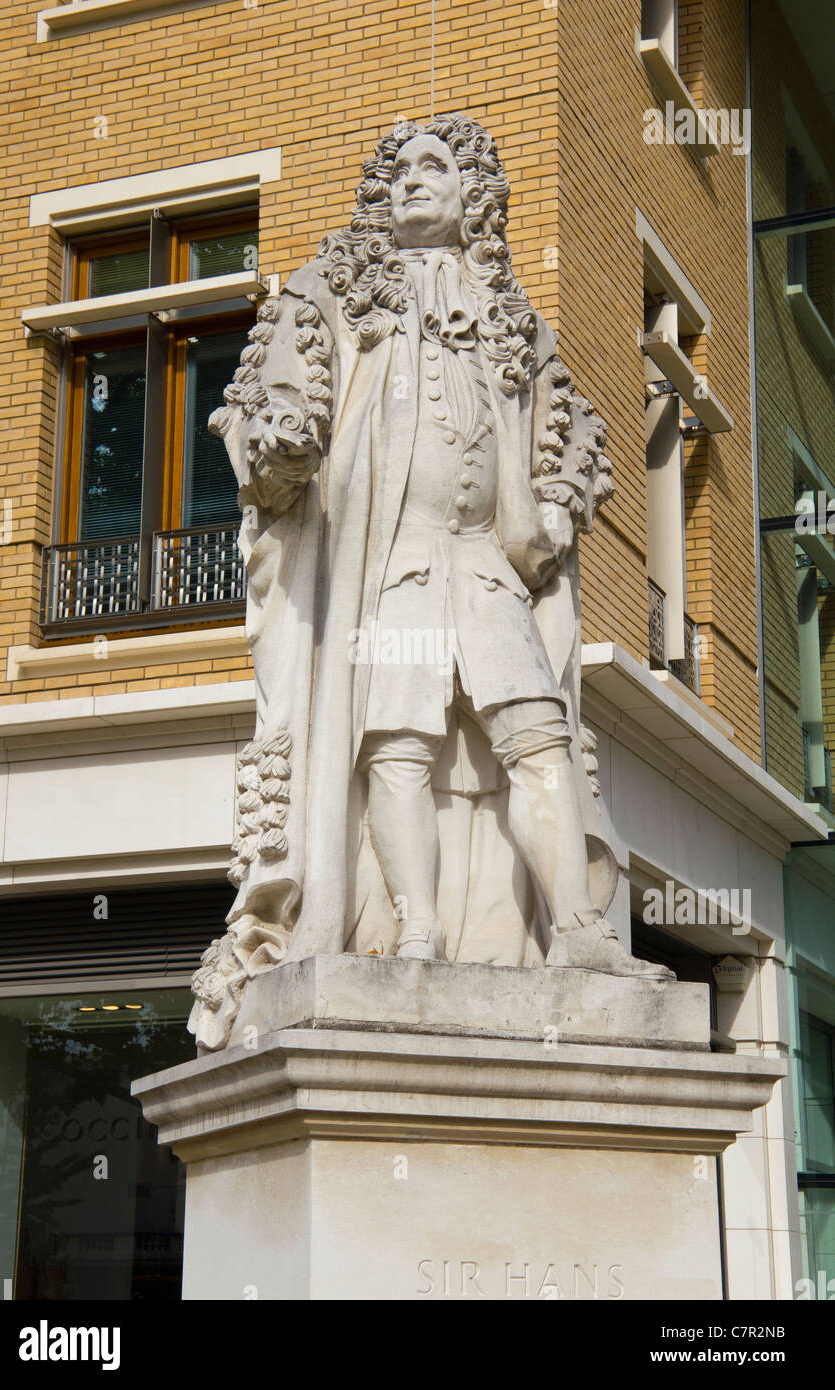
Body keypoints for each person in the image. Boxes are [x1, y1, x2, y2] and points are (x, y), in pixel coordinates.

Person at [190, 114, 667, 1053]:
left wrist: (562, 499)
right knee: (395, 741)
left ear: (472, 193)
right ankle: (412, 926)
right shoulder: (332, 292)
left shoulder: (516, 322)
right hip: (395, 561)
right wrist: (279, 446)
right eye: (398, 168)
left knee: (538, 734)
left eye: (436, 165)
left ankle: (574, 927)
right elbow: (265, 403)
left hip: (483, 561)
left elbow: (572, 433)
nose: (414, 179)